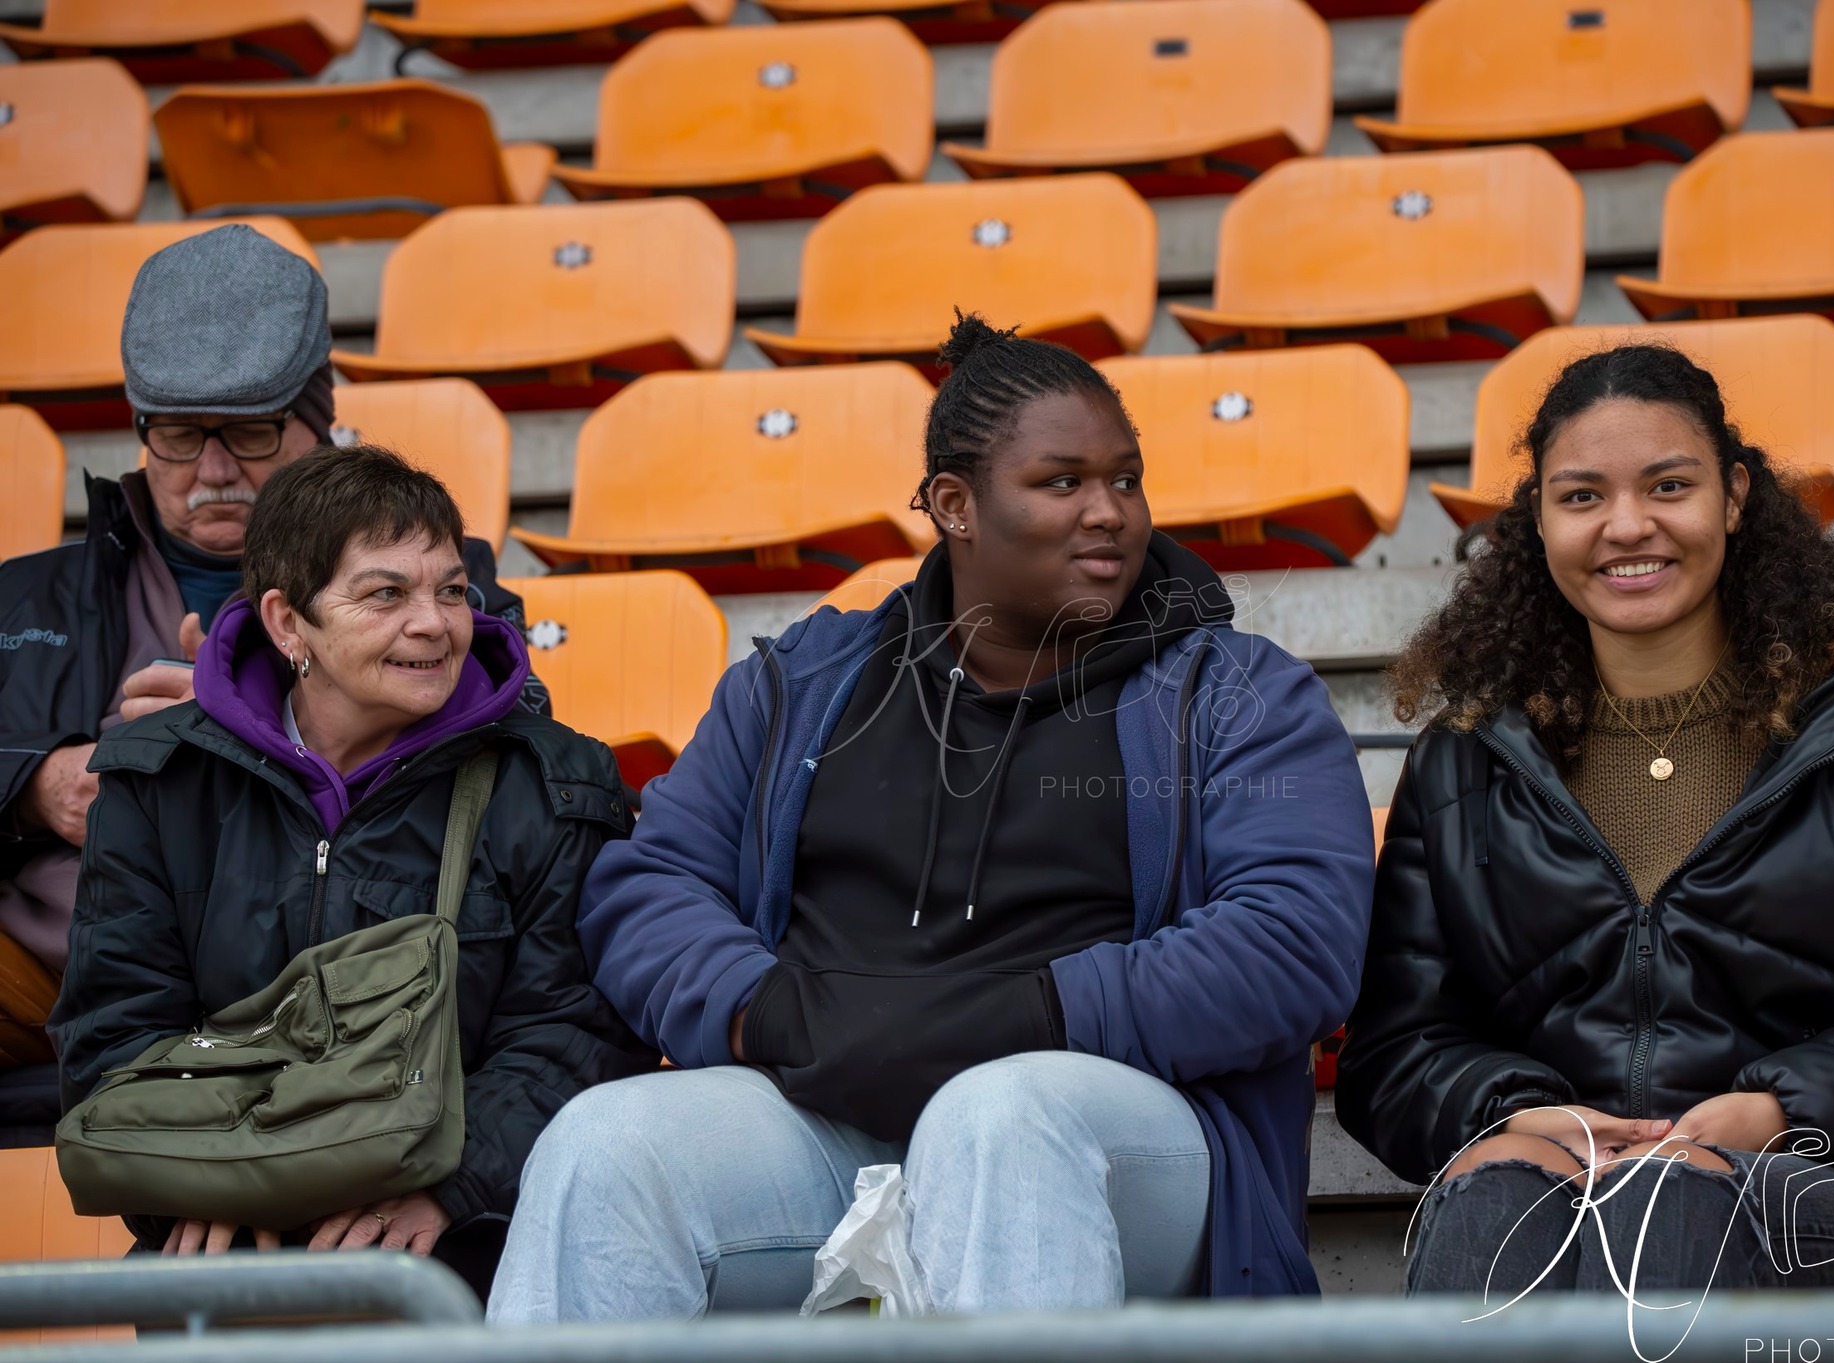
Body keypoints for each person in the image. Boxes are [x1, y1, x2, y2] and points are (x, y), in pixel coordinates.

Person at [488, 315, 1374, 1321]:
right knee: (604, 1144)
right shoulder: (802, 681)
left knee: (996, 1114)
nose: (1111, 514)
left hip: (1105, 1127)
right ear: (955, 504)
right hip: (824, 1110)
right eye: (1062, 482)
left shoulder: (1234, 693)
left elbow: (1293, 940)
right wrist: (764, 1010)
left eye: (1124, 479)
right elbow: (648, 886)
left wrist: (1034, 1016)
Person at [1335, 344, 1834, 1298]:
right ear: (1538, 521)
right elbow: (1394, 1049)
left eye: (1669, 484)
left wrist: (1781, 1109)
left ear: (1736, 495)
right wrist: (1519, 1114)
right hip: (1569, 1189)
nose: (1628, 525)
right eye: (1582, 496)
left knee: (1662, 1203)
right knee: (1491, 1204)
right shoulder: (1466, 762)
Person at [47, 445, 653, 1297]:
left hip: (467, 1234)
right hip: (226, 1233)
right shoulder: (158, 781)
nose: (435, 623)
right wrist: (222, 1173)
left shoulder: (556, 784)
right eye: (385, 593)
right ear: (288, 622)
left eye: (449, 589)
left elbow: (576, 1034)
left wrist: (451, 1184)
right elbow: (115, 1032)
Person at [0, 224, 544, 997]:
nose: (214, 470)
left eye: (252, 432)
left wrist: (264, 723)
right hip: (38, 972)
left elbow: (522, 735)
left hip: (303, 977)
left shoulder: (449, 582)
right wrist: (33, 784)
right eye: (180, 435)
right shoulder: (22, 596)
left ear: (318, 425)